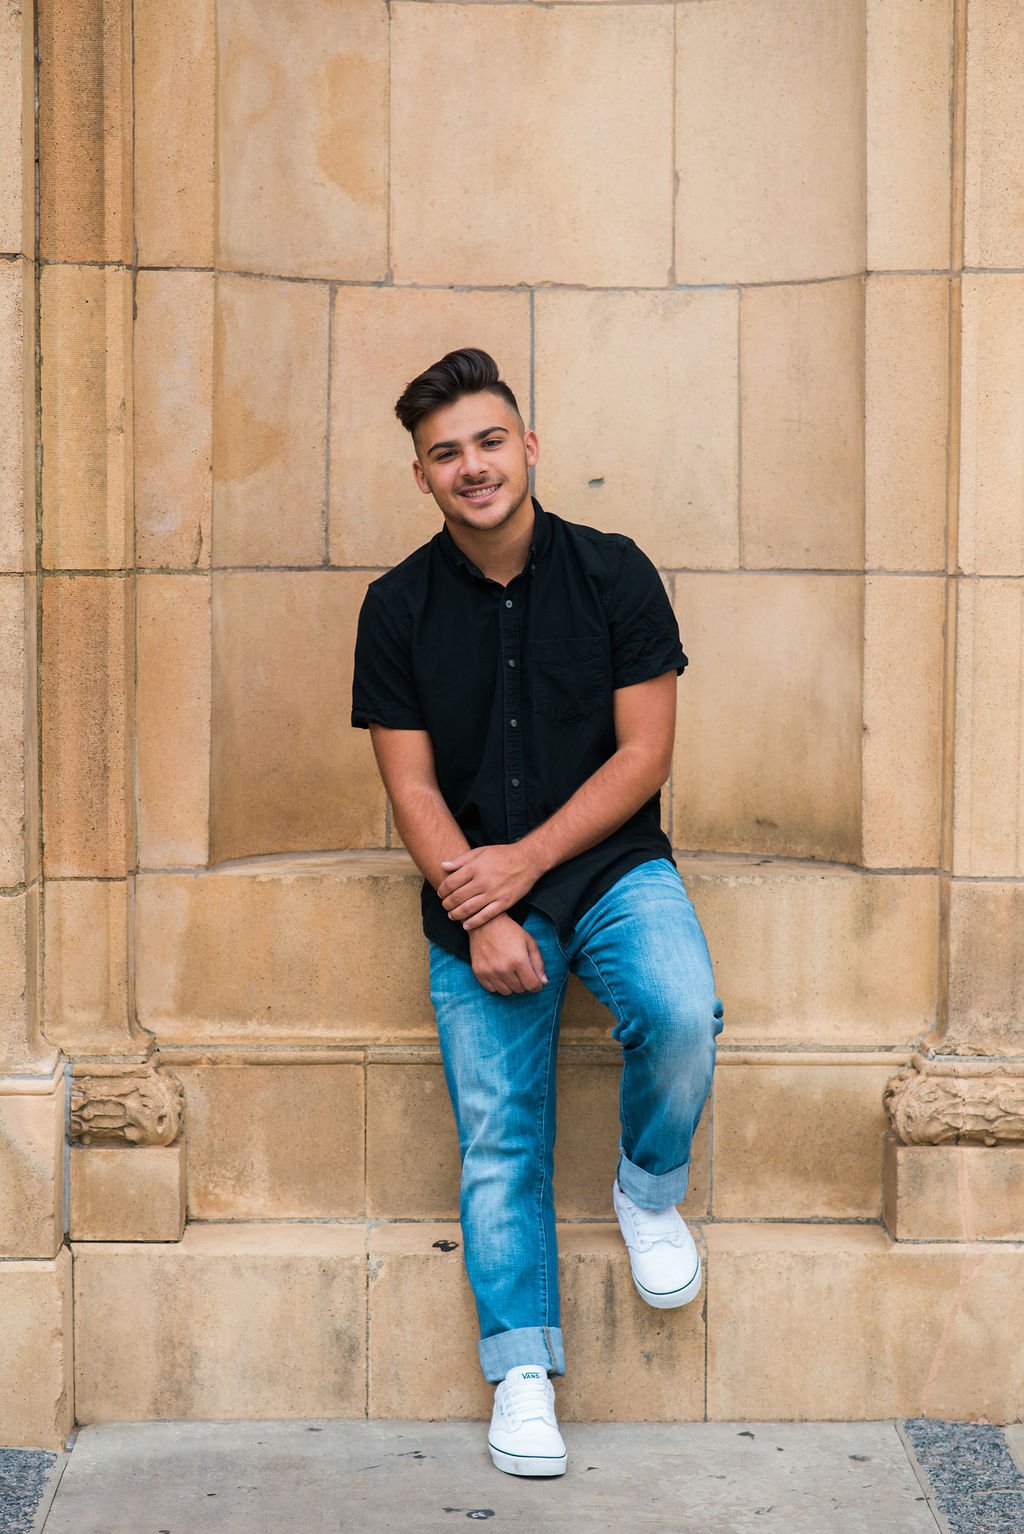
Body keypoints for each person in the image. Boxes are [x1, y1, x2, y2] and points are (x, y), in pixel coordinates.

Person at [351, 347, 723, 1478]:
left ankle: (647, 1188)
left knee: (680, 1008)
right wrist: (481, 906)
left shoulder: (613, 573)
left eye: (488, 440)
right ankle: (521, 1371)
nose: (473, 467)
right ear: (421, 476)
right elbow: (410, 786)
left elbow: (644, 754)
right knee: (499, 1132)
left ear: (529, 444)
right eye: (446, 452)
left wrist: (525, 864)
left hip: (608, 868)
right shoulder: (396, 607)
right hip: (476, 898)